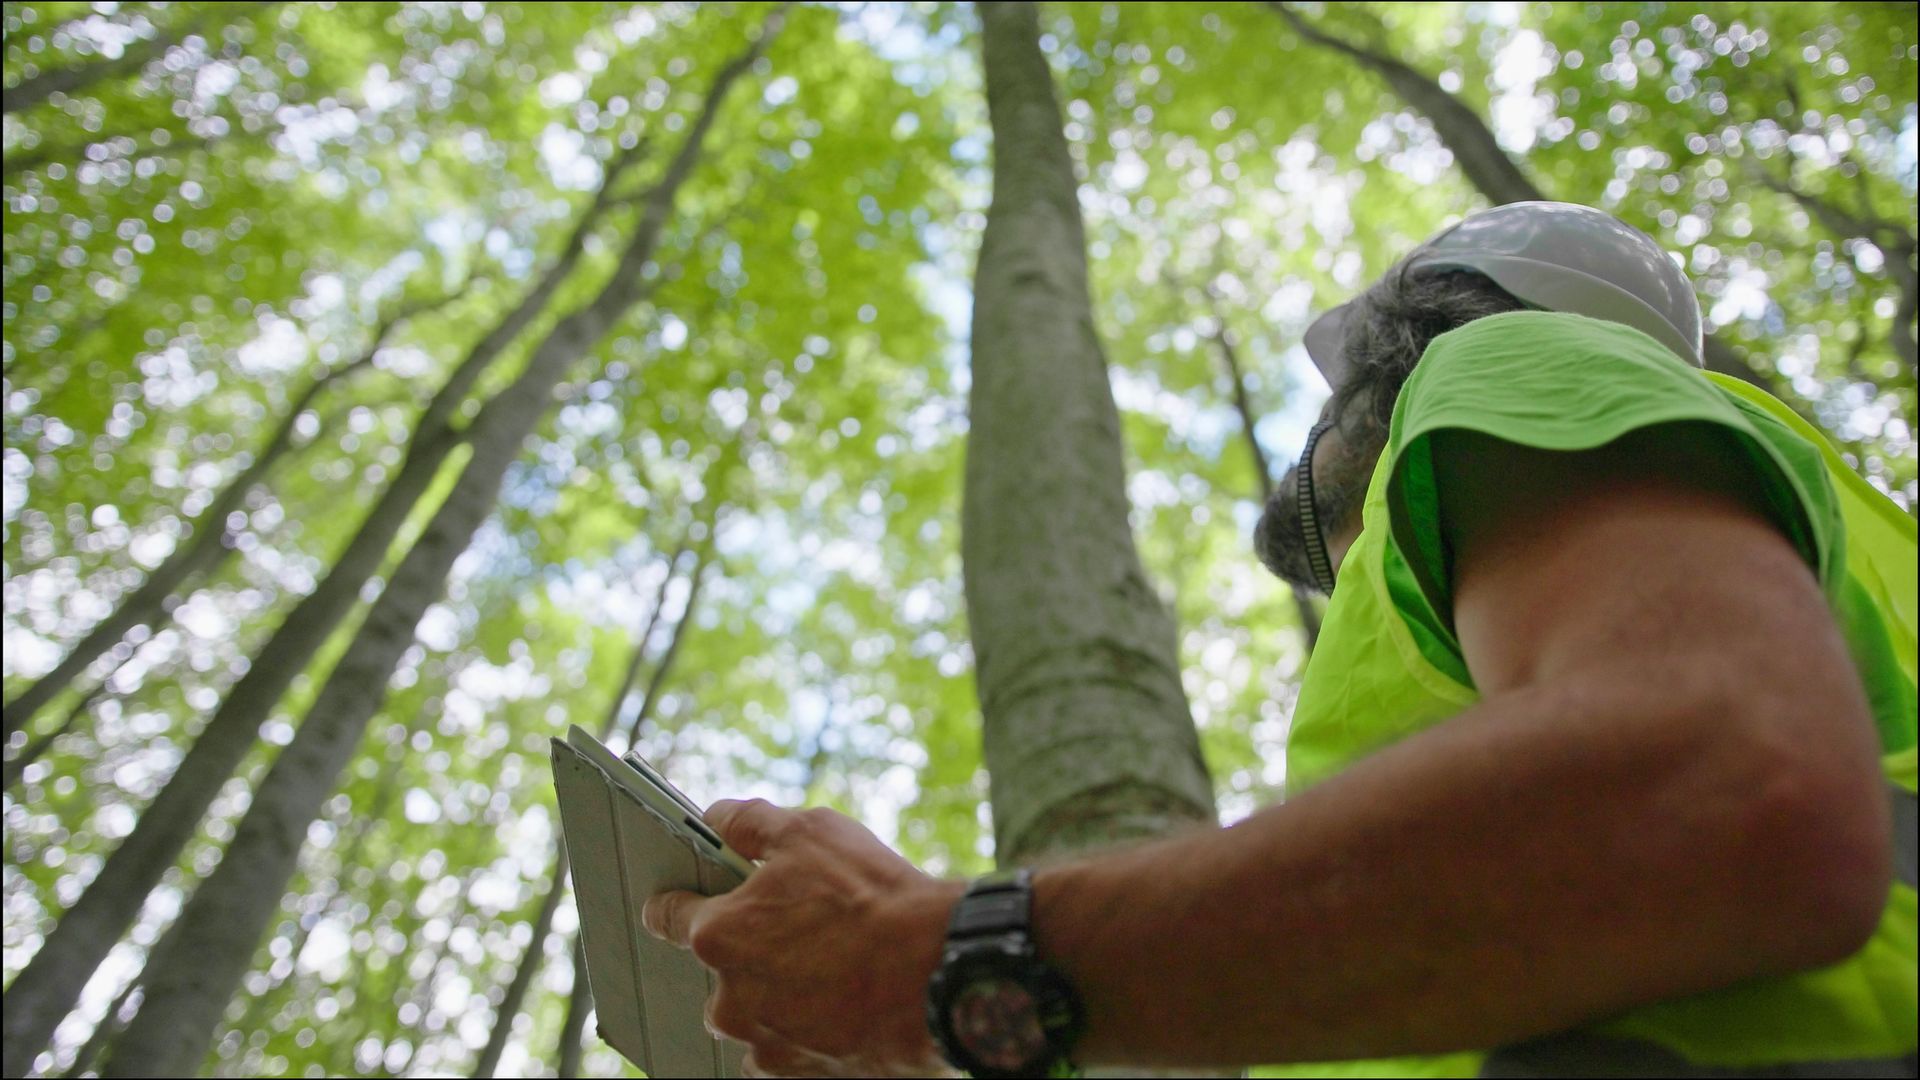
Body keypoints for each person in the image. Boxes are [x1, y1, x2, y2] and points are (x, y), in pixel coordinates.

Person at [641, 202, 1918, 1078]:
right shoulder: (1813, 517)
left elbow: (1727, 787)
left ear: (1406, 338)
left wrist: (935, 957)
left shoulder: (1507, 364)